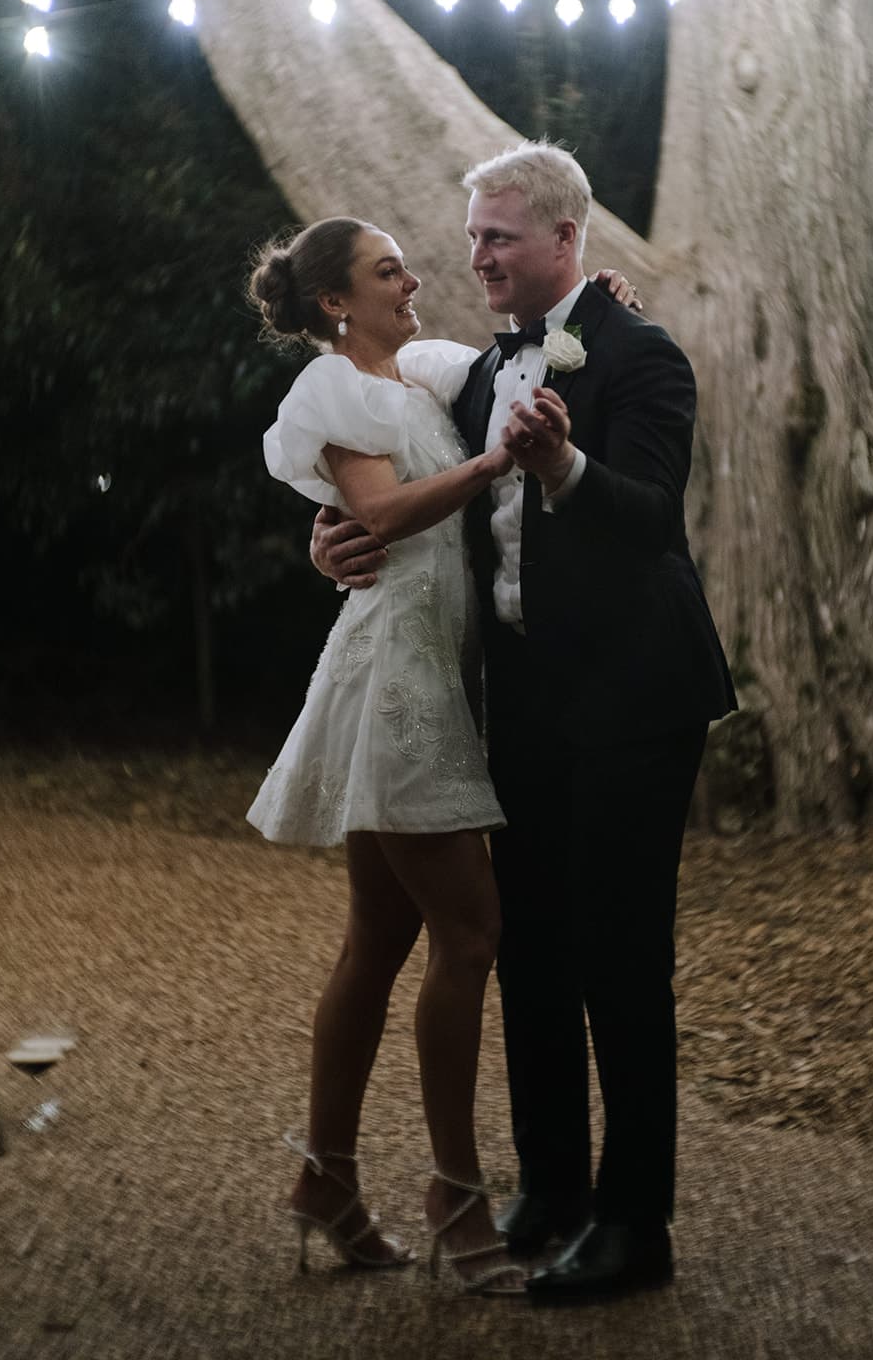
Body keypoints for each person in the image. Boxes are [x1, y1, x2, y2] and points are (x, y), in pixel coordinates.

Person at [311, 141, 737, 1304]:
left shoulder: (644, 357)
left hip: (637, 701)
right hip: (527, 702)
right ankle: (552, 1187)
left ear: (564, 239)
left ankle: (634, 1223)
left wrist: (561, 467)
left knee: (618, 957)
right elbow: (379, 462)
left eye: (498, 236)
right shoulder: (465, 372)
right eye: (472, 238)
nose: (476, 254)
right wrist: (330, 534)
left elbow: (651, 518)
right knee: (529, 949)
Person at [246, 216, 532, 1295]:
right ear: (335, 303)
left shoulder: (416, 381)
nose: (412, 280)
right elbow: (379, 509)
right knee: (472, 932)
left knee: (378, 939)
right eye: (387, 270)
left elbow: (514, 357)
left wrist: (599, 295)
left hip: (433, 666)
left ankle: (326, 1180)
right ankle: (456, 1197)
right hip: (399, 680)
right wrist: (496, 462)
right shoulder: (336, 391)